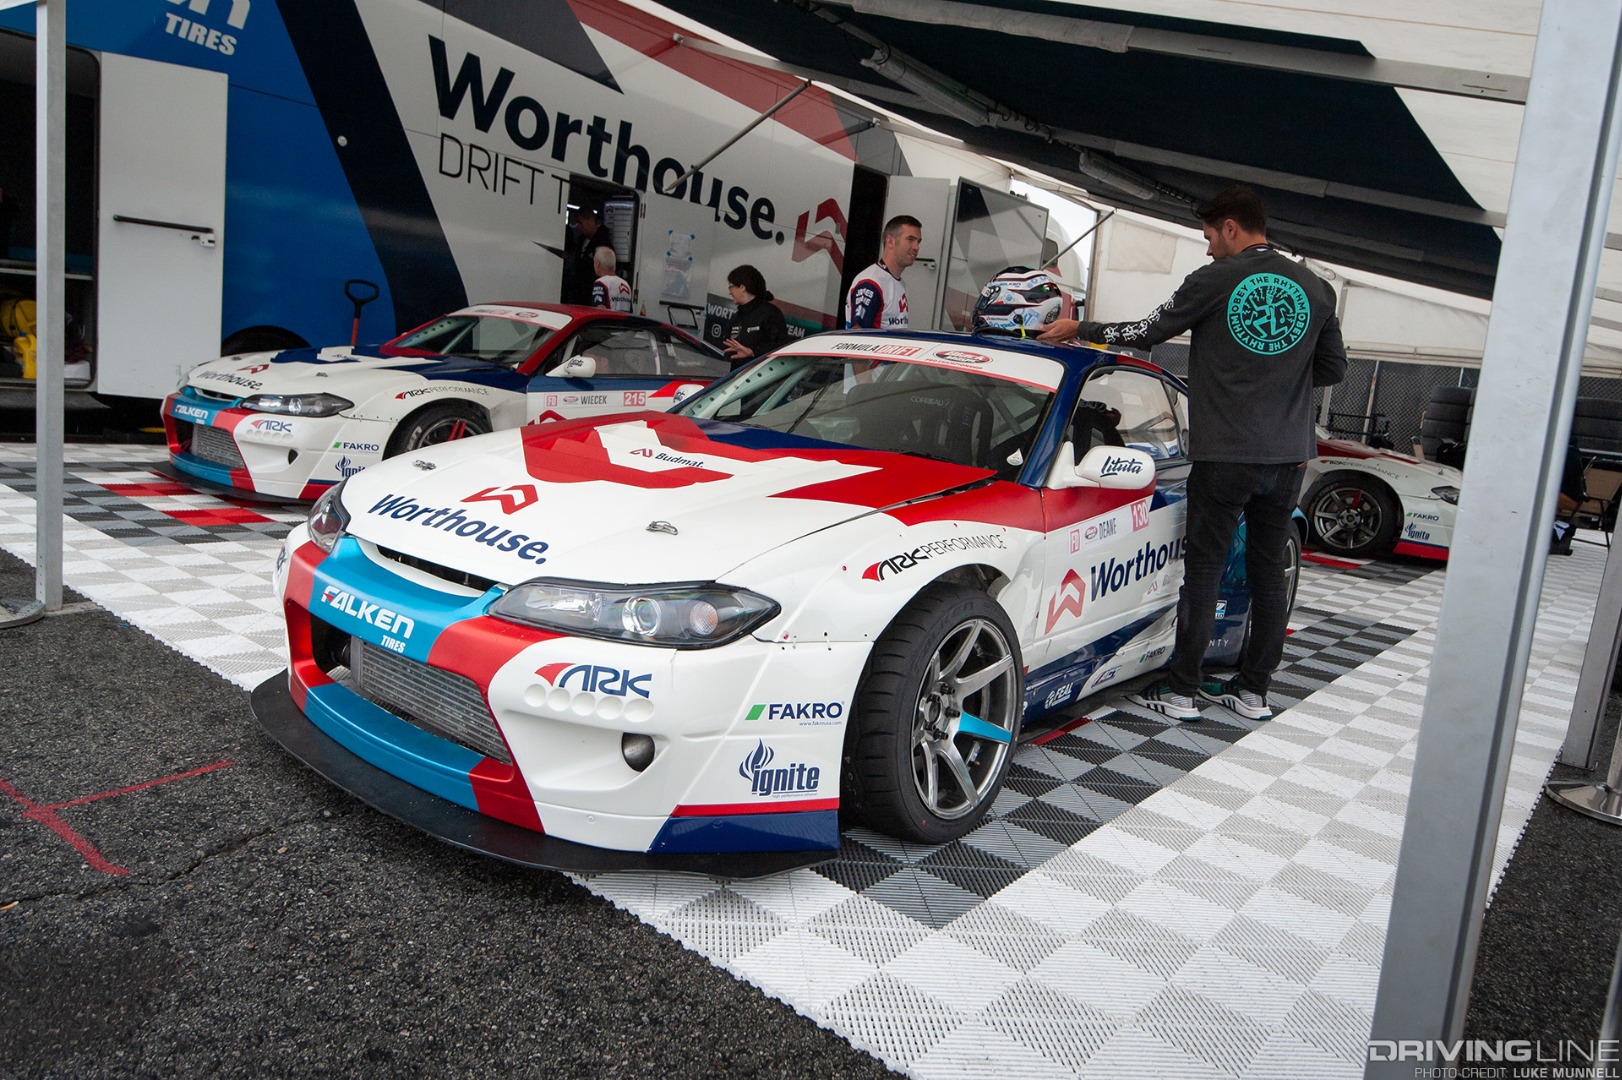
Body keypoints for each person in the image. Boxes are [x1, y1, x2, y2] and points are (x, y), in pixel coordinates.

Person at [1039, 185, 1347, 723]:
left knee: (1204, 571)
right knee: (1268, 573)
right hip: (1287, 459)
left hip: (1225, 454)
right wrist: (1280, 377)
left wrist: (1080, 328)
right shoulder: (1317, 290)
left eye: (1209, 236)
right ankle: (1254, 691)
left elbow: (1148, 331)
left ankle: (1182, 691)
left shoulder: (1215, 279)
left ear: (1230, 226)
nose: (1207, 248)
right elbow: (1334, 369)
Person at [845, 215, 922, 330]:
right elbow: (857, 333)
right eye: (910, 239)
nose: (916, 247)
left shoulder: (897, 282)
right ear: (890, 241)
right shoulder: (871, 283)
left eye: (918, 241)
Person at [721, 264, 789, 368]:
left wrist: (752, 352)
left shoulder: (770, 313)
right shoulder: (737, 316)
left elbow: (782, 346)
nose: (730, 292)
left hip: (763, 374)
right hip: (738, 375)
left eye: (731, 286)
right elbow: (727, 346)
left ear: (742, 287)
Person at [561, 207, 601, 305]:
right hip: (577, 291)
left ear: (591, 220)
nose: (578, 227)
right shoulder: (581, 240)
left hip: (590, 292)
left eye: (581, 223)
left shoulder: (602, 242)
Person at [590, 246, 632, 312]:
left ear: (598, 264)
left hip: (608, 318)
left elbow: (599, 310)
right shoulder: (626, 284)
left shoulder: (600, 283)